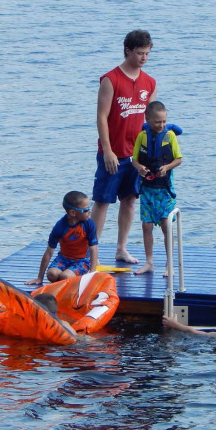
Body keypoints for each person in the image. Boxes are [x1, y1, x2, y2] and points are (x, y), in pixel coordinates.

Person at [92, 29, 157, 265]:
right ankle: (93, 251)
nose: (144, 57)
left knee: (130, 200)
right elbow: (101, 117)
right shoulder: (111, 79)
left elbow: (150, 120)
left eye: (147, 53)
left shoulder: (149, 82)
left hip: (135, 154)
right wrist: (107, 150)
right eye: (140, 53)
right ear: (128, 50)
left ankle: (121, 247)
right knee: (103, 200)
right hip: (113, 153)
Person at [131, 101, 182, 275]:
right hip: (147, 190)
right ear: (147, 119)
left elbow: (178, 159)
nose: (161, 125)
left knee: (166, 225)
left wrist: (166, 168)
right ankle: (149, 262)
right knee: (146, 226)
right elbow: (134, 159)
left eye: (163, 122)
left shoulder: (170, 136)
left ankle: (169, 264)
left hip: (164, 190)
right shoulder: (142, 136)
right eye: (157, 122)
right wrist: (139, 168)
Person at [26, 191, 99, 285]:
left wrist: (92, 273)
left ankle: (69, 280)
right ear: (73, 213)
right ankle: (68, 282)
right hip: (64, 258)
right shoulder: (60, 227)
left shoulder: (89, 224)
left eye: (90, 207)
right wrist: (39, 278)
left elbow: (93, 248)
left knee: (65, 276)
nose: (90, 211)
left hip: (83, 259)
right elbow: (49, 252)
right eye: (86, 210)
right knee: (52, 274)